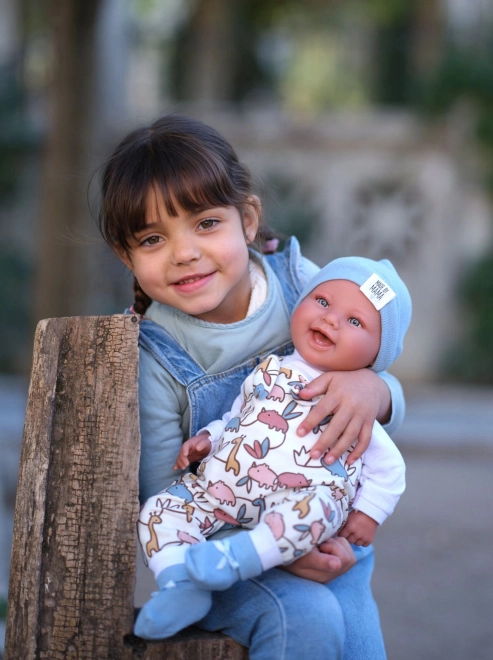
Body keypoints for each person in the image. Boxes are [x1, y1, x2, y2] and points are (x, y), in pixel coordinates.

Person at [98, 114, 407, 659]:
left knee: (360, 643)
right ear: (127, 257)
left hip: (327, 532)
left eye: (205, 223)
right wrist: (274, 552)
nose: (184, 252)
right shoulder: (156, 356)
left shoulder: (305, 285)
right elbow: (163, 498)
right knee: (307, 618)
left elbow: (378, 362)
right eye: (152, 238)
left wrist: (374, 392)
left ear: (247, 220)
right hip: (224, 559)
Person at [134, 256, 410, 639]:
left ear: (378, 354)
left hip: (298, 500)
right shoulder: (270, 369)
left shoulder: (349, 397)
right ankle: (181, 584)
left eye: (355, 322)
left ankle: (237, 558)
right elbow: (240, 417)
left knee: (314, 512)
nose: (330, 319)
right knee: (158, 511)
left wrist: (369, 513)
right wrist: (210, 439)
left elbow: (390, 467)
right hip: (221, 491)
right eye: (324, 302)